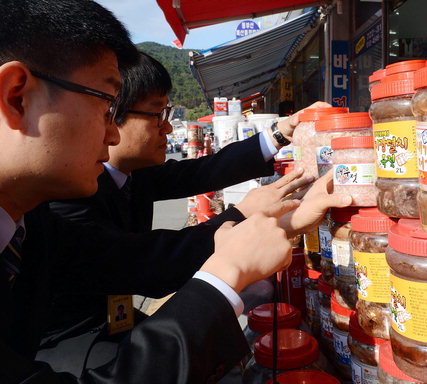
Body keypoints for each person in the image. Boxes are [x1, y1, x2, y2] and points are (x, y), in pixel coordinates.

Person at [0, 1, 348, 382]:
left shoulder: (29, 220)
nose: (112, 132)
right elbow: (141, 263)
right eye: (104, 105)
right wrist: (226, 273)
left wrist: (277, 204)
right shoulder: (56, 202)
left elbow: (193, 179)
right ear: (17, 97)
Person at [37, 52, 319, 373]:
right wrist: (239, 219)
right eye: (158, 114)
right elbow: (142, 263)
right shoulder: (68, 191)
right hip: (73, 341)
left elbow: (201, 171)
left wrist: (280, 133)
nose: (168, 128)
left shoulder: (133, 173)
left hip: (116, 317)